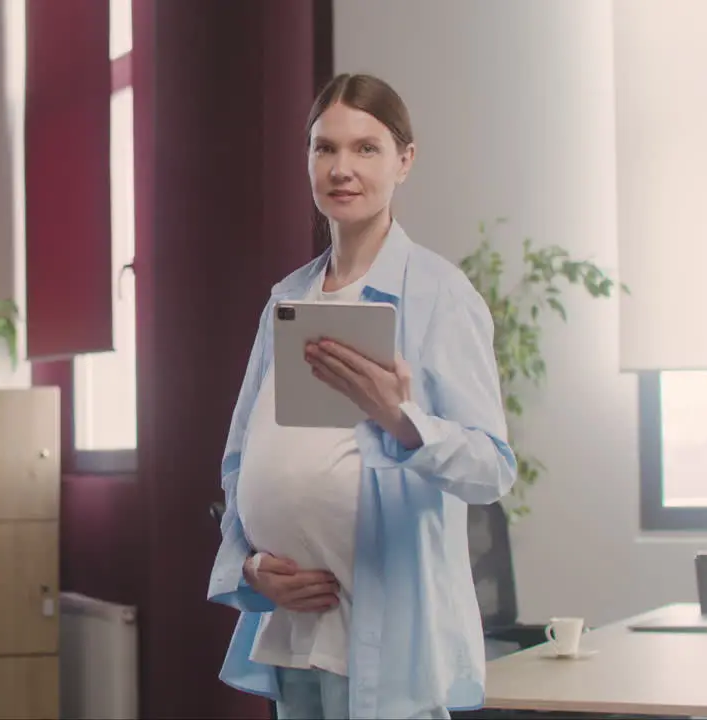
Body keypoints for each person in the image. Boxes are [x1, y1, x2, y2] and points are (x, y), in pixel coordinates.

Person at [206, 73, 518, 720]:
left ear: (405, 160)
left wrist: (402, 422)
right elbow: (240, 462)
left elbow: (492, 469)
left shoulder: (440, 295)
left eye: (365, 149)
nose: (341, 168)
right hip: (293, 632)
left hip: (385, 643)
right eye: (325, 149)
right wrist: (250, 564)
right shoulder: (285, 301)